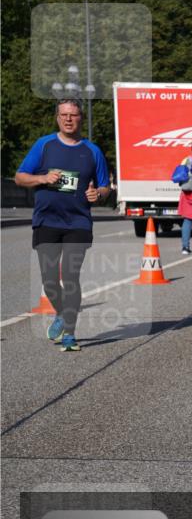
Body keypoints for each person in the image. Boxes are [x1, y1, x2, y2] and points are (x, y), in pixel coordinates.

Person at [15, 99, 110, 352]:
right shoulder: (44, 145)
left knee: (70, 276)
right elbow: (20, 176)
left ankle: (69, 332)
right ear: (57, 117)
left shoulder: (92, 151)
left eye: (74, 115)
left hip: (78, 222)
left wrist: (98, 195)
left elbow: (105, 186)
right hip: (46, 220)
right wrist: (43, 178)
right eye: (64, 115)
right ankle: (61, 314)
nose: (69, 119)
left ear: (81, 118)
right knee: (48, 281)